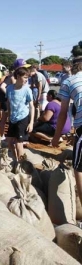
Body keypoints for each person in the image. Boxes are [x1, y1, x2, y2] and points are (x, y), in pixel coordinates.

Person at [52, 56, 82, 208]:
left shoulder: (69, 81)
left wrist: (56, 137)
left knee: (79, 169)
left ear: (73, 67)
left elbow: (63, 113)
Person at [6, 67, 34, 161]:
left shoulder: (27, 90)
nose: (26, 80)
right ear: (18, 76)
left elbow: (31, 106)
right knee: (9, 142)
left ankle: (21, 165)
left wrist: (31, 123)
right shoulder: (9, 88)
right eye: (25, 77)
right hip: (13, 118)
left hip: (23, 118)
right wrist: (9, 116)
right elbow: (9, 103)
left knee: (19, 144)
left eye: (27, 78)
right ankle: (15, 161)